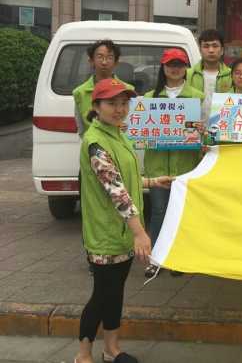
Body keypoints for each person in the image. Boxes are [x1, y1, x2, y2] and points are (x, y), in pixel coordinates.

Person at [75, 78, 172, 363]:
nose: (119, 109)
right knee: (102, 295)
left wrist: (152, 181)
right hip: (106, 235)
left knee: (115, 293)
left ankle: (111, 349)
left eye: (123, 103)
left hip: (121, 234)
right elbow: (116, 191)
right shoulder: (96, 143)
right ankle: (83, 354)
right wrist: (141, 233)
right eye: (112, 103)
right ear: (96, 106)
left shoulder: (118, 134)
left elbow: (123, 178)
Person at [143, 48, 204, 279]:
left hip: (185, 166)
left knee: (181, 213)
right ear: (163, 67)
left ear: (186, 68)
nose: (175, 69)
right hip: (157, 166)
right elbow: (140, 130)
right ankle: (156, 259)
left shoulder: (196, 96)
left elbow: (205, 130)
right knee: (158, 211)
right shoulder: (149, 98)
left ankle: (179, 258)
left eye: (179, 64)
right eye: (171, 64)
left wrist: (201, 130)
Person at [73, 40, 134, 137]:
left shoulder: (128, 90)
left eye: (109, 57)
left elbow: (132, 126)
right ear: (91, 61)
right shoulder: (80, 92)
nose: (104, 62)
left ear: (116, 62)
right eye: (100, 57)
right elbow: (81, 130)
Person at [186, 29, 232, 120]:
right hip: (194, 127)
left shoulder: (231, 75)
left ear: (222, 50)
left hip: (222, 126)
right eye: (206, 46)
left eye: (215, 46)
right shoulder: (188, 74)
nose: (211, 50)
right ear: (200, 50)